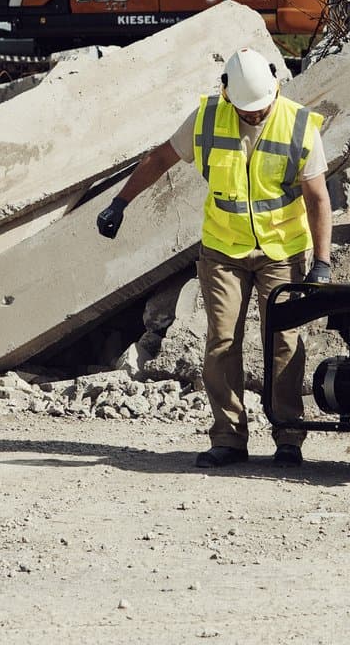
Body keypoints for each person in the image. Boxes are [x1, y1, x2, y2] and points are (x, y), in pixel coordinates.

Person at [96, 49, 330, 468]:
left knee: (284, 342)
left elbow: (317, 197)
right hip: (223, 250)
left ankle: (288, 436)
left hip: (282, 251)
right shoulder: (206, 118)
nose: (256, 117)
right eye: (247, 111)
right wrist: (120, 202)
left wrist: (323, 260)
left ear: (276, 86)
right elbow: (161, 158)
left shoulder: (297, 124)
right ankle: (228, 437)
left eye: (261, 109)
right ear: (227, 94)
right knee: (222, 341)